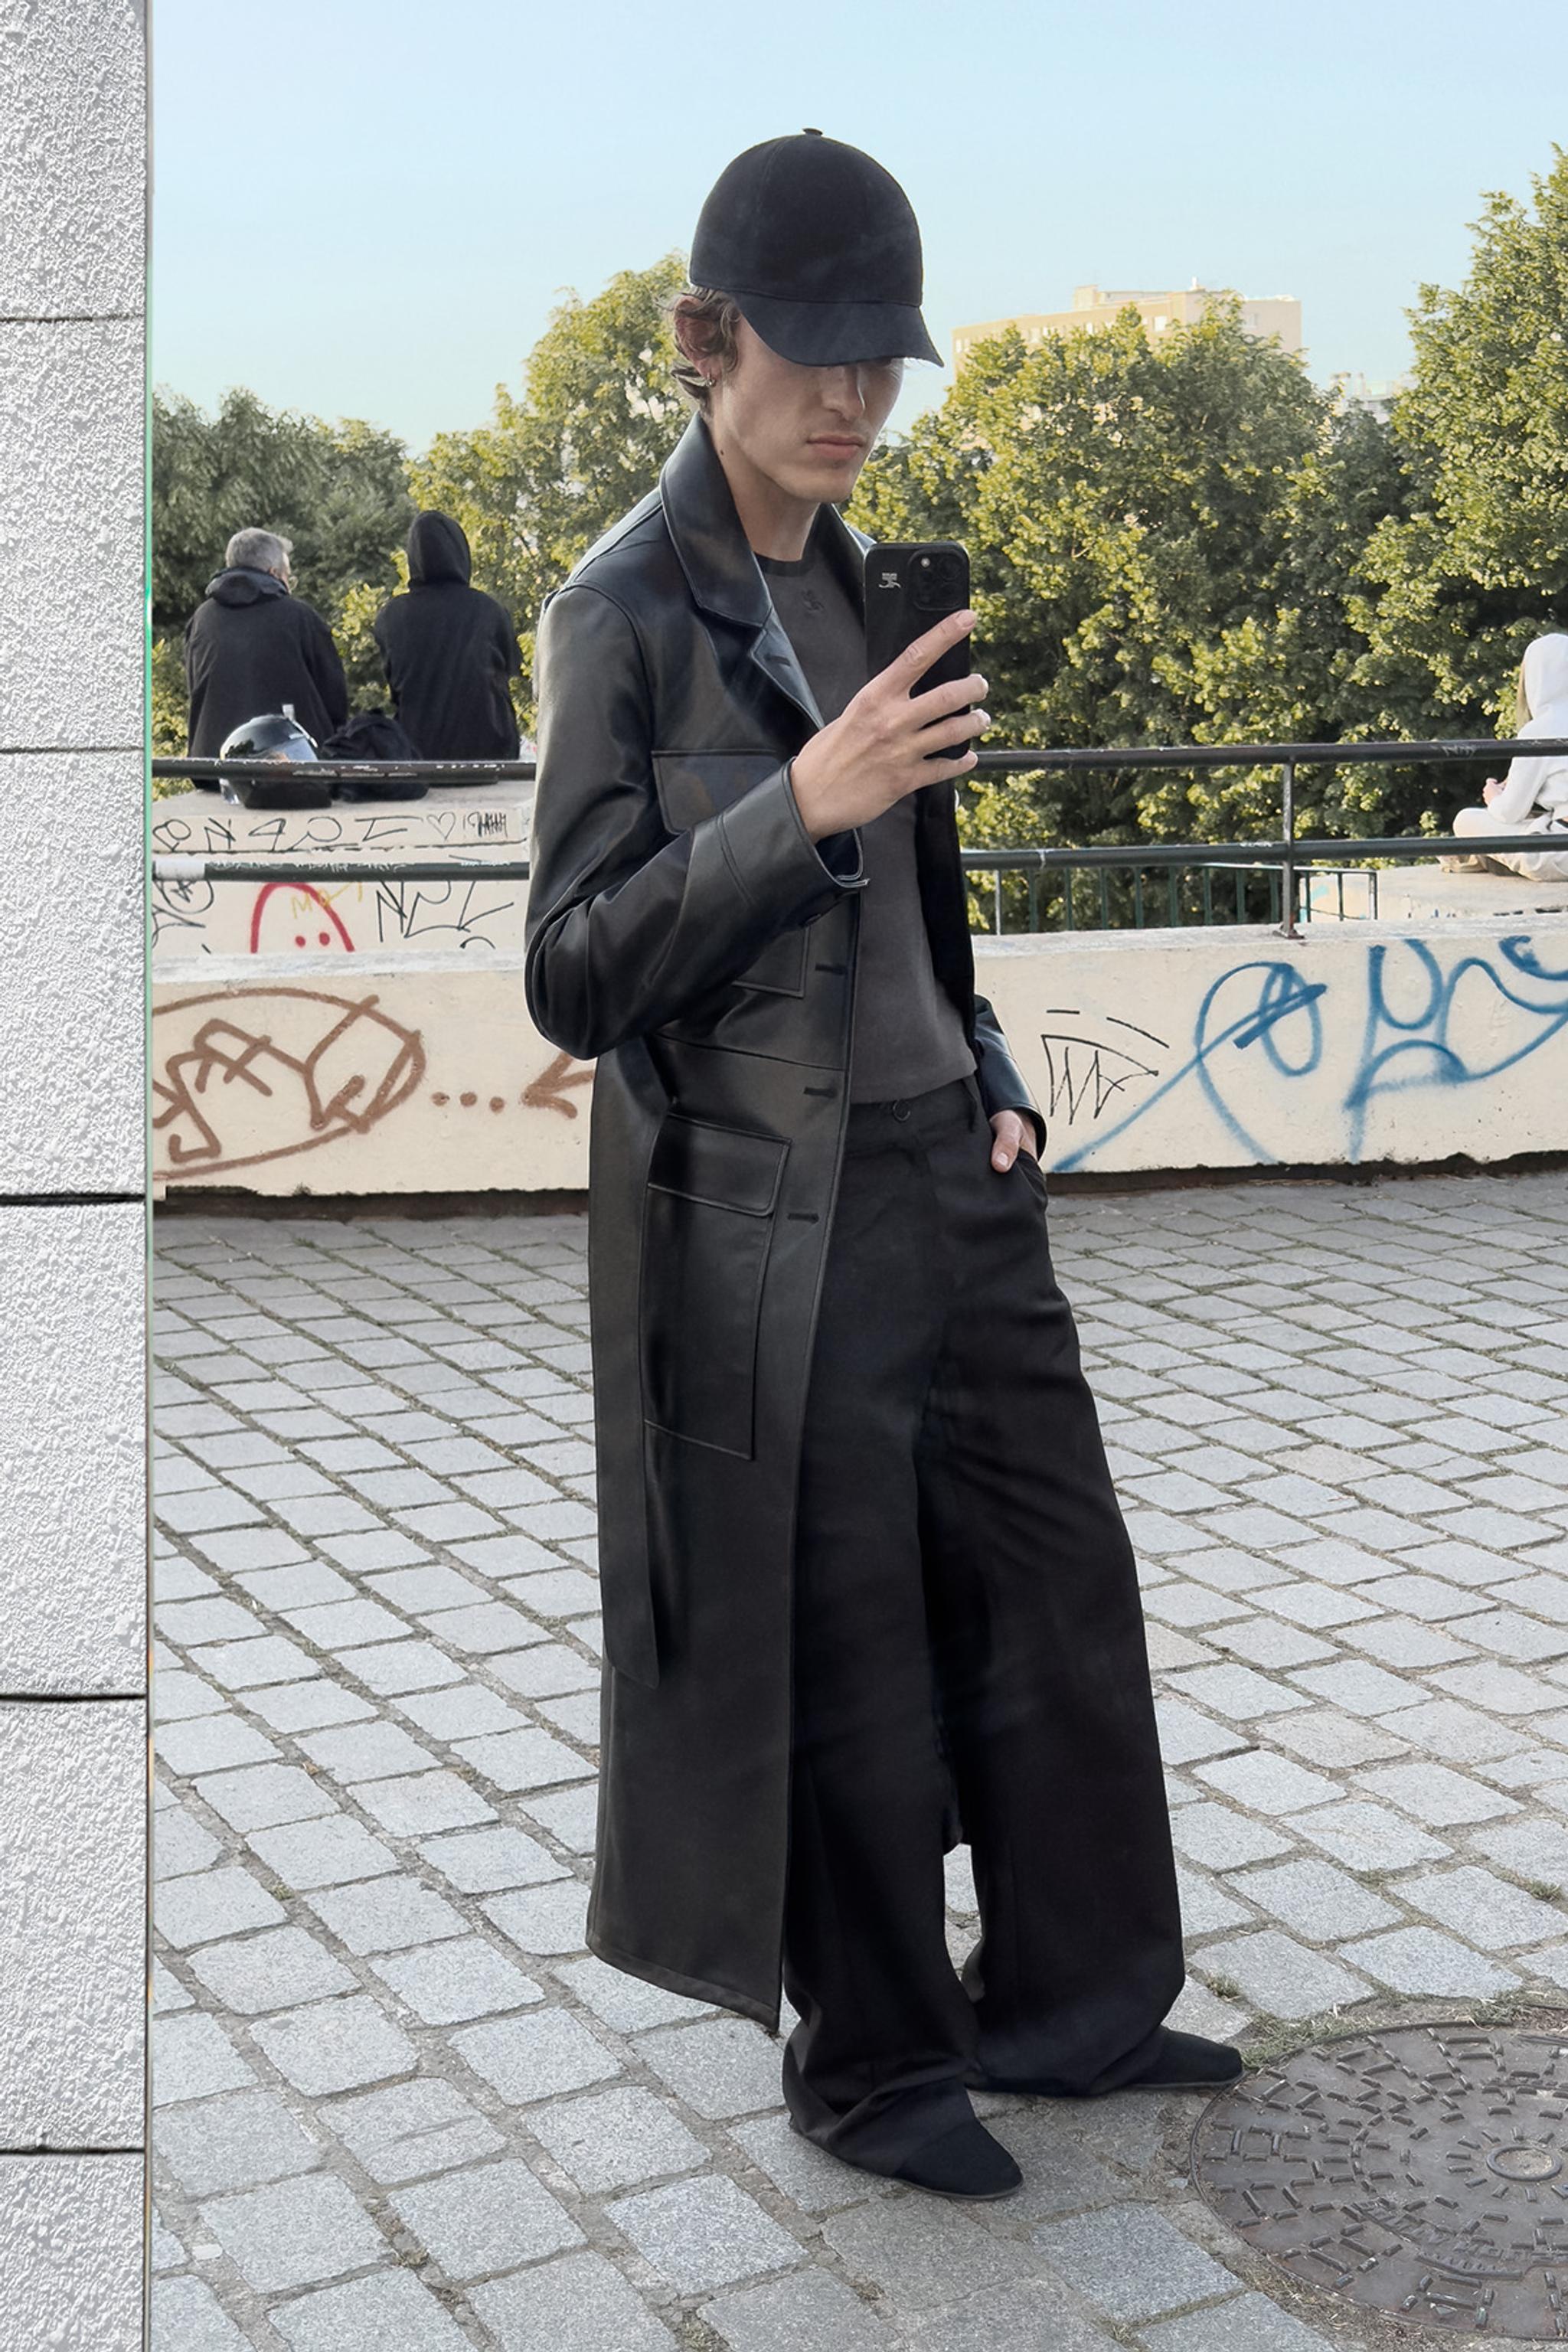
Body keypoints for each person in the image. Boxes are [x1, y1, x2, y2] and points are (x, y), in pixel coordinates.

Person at [524, 130, 1236, 2206]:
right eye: (814, 354)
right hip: (777, 1218)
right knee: (844, 1646)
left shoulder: (879, 579)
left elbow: (930, 902)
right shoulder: (623, 614)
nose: (853, 399)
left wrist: (995, 1064)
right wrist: (796, 804)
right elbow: (576, 972)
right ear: (702, 342)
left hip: (957, 1174)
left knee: (1058, 1592)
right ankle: (877, 2067)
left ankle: (1078, 2000)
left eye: (883, 360)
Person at [183, 528, 348, 759]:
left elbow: (196, 687)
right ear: (274, 573)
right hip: (290, 764)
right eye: (289, 576)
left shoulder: (201, 619)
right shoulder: (300, 617)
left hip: (212, 765)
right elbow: (335, 699)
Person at [372, 511, 521, 763]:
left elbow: (394, 685)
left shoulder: (391, 617)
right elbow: (510, 668)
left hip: (419, 753)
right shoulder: (489, 611)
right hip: (492, 753)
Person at [1449, 632, 1568, 881]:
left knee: (1466, 820)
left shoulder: (1540, 730)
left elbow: (1509, 813)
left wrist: (1493, 796)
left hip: (1559, 854)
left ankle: (1491, 859)